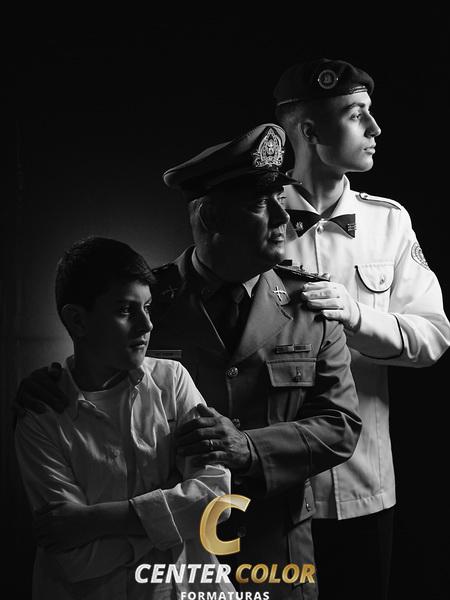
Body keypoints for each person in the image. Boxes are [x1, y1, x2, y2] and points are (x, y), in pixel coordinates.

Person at [15, 124, 361, 600]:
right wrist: (42, 391)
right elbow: (91, 385)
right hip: (167, 564)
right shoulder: (143, 301)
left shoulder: (311, 306)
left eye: (281, 199)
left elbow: (341, 425)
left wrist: (248, 448)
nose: (286, 217)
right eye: (261, 203)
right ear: (212, 215)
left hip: (274, 550)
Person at [273, 58, 450, 600]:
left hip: (364, 486)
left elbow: (433, 337)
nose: (375, 128)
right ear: (309, 131)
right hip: (273, 492)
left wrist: (355, 316)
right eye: (356, 115)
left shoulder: (389, 222)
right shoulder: (256, 218)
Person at [15, 237, 235, 600]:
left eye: (148, 307)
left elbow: (216, 500)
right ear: (77, 320)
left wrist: (96, 520)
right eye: (125, 310)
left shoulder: (172, 381)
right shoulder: (41, 415)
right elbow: (75, 557)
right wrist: (173, 511)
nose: (147, 325)